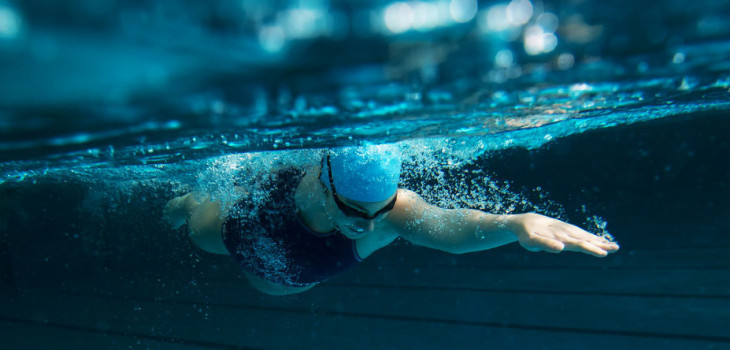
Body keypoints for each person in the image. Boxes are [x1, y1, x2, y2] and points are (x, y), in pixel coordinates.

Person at [164, 145, 619, 295]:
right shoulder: (295, 175)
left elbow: (451, 230)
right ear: (323, 186)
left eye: (381, 211)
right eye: (353, 212)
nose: (367, 226)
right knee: (194, 225)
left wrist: (514, 224)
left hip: (285, 279)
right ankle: (187, 200)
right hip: (238, 233)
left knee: (271, 286)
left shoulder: (394, 210)